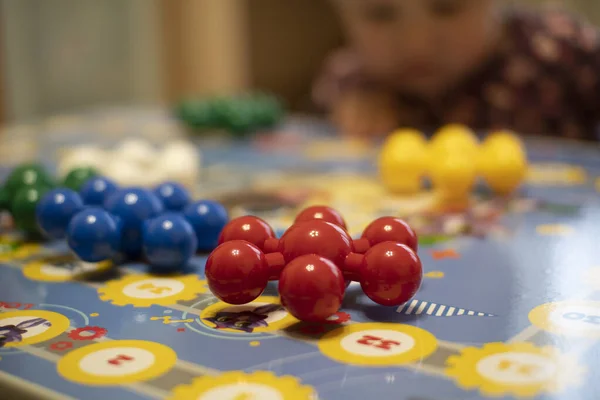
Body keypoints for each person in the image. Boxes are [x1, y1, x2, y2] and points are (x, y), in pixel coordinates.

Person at [312, 0, 600, 141]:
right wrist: (353, 107)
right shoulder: (356, 79)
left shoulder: (562, 51)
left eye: (447, 8)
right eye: (381, 15)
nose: (417, 45)